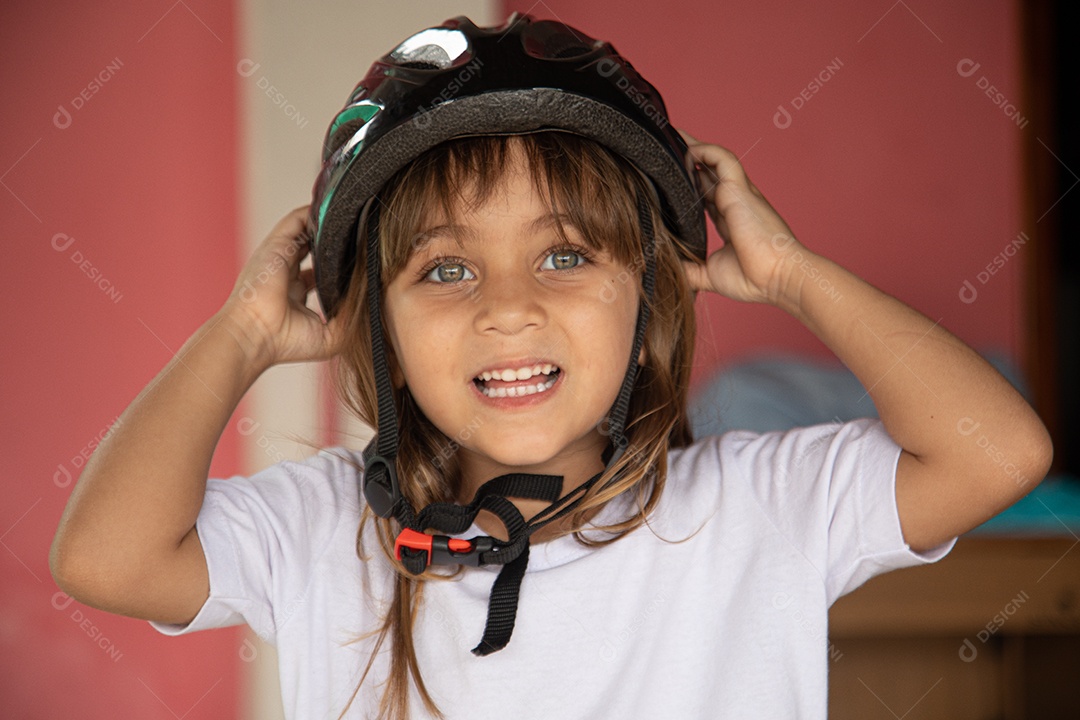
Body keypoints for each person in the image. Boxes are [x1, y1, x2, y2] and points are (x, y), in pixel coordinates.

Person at [49, 13, 1052, 720]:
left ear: (654, 289)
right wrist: (240, 338)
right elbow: (104, 557)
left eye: (565, 255)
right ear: (374, 324)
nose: (510, 307)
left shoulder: (759, 506)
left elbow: (998, 452)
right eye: (446, 269)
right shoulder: (322, 534)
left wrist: (794, 275)